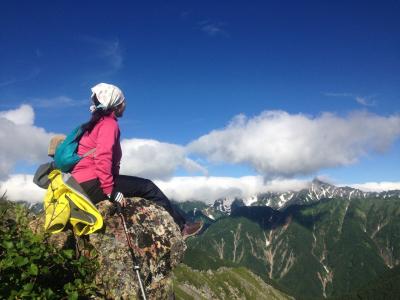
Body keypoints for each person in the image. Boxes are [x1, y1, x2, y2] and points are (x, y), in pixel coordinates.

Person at [71, 83, 202, 239]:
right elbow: (103, 156)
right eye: (122, 101)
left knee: (140, 187)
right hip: (93, 183)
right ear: (115, 104)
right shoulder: (108, 124)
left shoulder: (94, 125)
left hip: (81, 183)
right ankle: (182, 227)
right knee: (148, 186)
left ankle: (179, 224)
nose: (125, 105)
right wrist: (109, 190)